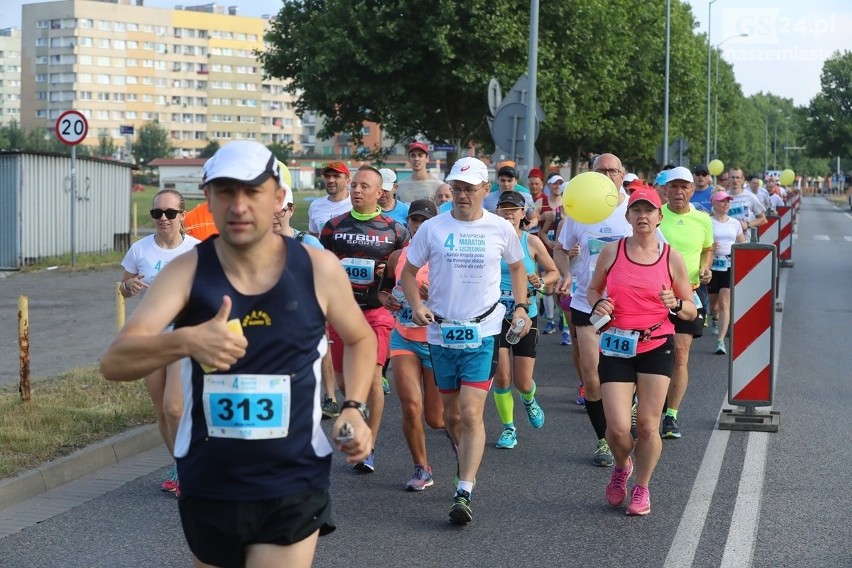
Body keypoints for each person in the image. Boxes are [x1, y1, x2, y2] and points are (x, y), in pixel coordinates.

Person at [101, 140, 376, 568]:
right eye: (227, 191)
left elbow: (359, 338)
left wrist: (354, 406)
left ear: (279, 198)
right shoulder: (187, 271)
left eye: (253, 191)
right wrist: (186, 341)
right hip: (211, 481)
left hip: (292, 480)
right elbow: (115, 361)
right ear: (208, 198)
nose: (239, 205)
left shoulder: (317, 269)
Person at [403, 156, 532, 525]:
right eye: (457, 188)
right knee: (449, 415)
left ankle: (464, 489)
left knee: (472, 411)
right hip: (441, 332)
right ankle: (465, 456)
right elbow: (409, 274)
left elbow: (518, 266)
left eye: (469, 189)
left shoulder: (500, 228)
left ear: (485, 191)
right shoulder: (432, 229)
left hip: (484, 331)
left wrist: (521, 306)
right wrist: (416, 305)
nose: (462, 195)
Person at [588, 188, 697, 516]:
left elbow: (691, 310)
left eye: (649, 210)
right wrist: (598, 301)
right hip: (617, 344)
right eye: (636, 210)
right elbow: (593, 288)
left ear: (659, 217)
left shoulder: (671, 257)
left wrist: (676, 304)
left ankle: (642, 488)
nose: (643, 216)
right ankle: (623, 465)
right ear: (628, 217)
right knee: (617, 428)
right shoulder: (612, 251)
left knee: (648, 426)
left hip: (655, 344)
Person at [320, 165, 409, 473]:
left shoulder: (395, 231)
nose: (357, 190)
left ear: (379, 192)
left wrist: (391, 277)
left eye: (364, 186)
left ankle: (368, 443)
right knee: (346, 382)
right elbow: (323, 268)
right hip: (342, 313)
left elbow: (406, 270)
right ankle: (358, 409)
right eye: (354, 185)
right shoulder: (332, 228)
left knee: (371, 377)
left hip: (376, 313)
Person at [554, 153, 638, 467]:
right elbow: (560, 249)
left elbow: (658, 250)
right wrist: (565, 272)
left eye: (612, 170)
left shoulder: (635, 210)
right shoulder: (579, 210)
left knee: (627, 377)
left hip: (627, 309)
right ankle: (603, 439)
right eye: (600, 170)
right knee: (593, 379)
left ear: (622, 174)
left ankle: (629, 408)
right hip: (585, 303)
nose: (607, 175)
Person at [119, 188, 200, 494]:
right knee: (161, 410)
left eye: (169, 213)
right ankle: (180, 464)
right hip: (150, 335)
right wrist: (129, 286)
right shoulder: (140, 250)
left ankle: (189, 466)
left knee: (175, 407)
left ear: (182, 215)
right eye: (157, 214)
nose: (163, 219)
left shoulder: (197, 250)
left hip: (181, 333)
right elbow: (123, 288)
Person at [378, 199, 444, 491]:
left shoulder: (445, 256)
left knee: (437, 419)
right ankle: (422, 468)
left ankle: (460, 440)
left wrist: (437, 295)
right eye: (414, 221)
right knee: (410, 405)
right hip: (403, 336)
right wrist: (388, 300)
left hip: (435, 341)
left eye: (424, 221)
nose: (419, 226)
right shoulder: (398, 257)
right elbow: (383, 291)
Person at [492, 191, 559, 449]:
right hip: (495, 317)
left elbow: (553, 271)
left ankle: (529, 399)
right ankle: (509, 428)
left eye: (513, 210)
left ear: (523, 214)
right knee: (501, 377)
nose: (508, 214)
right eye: (504, 209)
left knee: (522, 381)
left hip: (525, 318)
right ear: (497, 212)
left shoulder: (530, 242)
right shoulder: (489, 240)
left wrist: (540, 281)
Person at [658, 166, 714, 439]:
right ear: (666, 190)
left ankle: (671, 416)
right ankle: (640, 407)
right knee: (648, 353)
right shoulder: (655, 215)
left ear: (693, 190)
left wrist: (706, 268)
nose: (679, 192)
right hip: (654, 295)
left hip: (688, 294)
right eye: (674, 187)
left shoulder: (703, 220)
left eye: (684, 187)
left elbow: (708, 248)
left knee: (680, 355)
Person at [308, 161, 353, 420]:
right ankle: (330, 396)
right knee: (325, 335)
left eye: (336, 176)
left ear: (347, 180)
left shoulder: (354, 205)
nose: (331, 180)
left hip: (353, 281)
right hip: (322, 279)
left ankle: (359, 386)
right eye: (328, 176)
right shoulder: (316, 206)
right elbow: (314, 241)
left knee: (350, 335)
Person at [708, 191, 747, 354]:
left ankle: (720, 341)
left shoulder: (735, 223)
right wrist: (710, 246)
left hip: (729, 264)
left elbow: (742, 243)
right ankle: (714, 318)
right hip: (712, 264)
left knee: (725, 303)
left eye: (728, 201)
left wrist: (740, 251)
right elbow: (701, 242)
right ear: (714, 204)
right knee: (713, 303)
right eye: (722, 201)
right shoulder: (707, 222)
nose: (726, 204)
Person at [726, 167, 767, 236]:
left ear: (742, 180)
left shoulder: (750, 197)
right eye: (732, 177)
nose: (735, 180)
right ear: (728, 179)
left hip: (745, 242)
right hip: (727, 241)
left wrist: (748, 224)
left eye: (738, 177)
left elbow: (763, 219)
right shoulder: (723, 197)